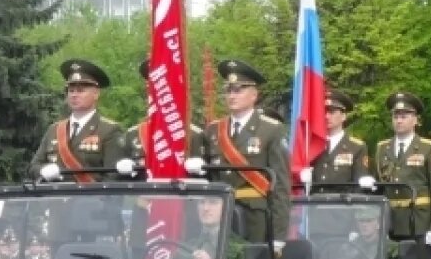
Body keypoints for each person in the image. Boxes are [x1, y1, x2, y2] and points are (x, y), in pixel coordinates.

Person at [203, 59, 291, 248]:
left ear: (254, 95)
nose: (232, 96)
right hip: (219, 216)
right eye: (228, 90)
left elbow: (281, 186)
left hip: (254, 218)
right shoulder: (213, 130)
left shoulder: (271, 130)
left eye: (238, 90)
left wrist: (278, 235)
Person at [375, 92, 431, 259]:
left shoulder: (427, 147)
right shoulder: (383, 148)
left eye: (404, 116)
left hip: (419, 224)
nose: (399, 120)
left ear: (415, 120)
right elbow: (380, 187)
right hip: (391, 222)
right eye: (395, 116)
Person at [30, 59, 127, 182]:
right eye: (71, 90)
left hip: (91, 199)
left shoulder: (109, 130)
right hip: (55, 198)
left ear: (96, 94)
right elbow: (34, 167)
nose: (74, 95)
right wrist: (43, 170)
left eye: (81, 90)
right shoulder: (54, 129)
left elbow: (113, 177)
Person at [126, 58, 207, 173]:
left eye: (163, 83)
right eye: (153, 83)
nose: (158, 89)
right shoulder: (133, 134)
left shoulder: (194, 135)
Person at [303, 89, 369, 186]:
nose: (326, 116)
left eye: (332, 112)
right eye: (324, 111)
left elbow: (359, 185)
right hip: (315, 200)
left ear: (343, 116)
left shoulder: (357, 147)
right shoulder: (312, 144)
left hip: (343, 200)